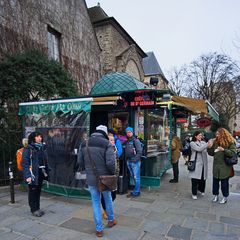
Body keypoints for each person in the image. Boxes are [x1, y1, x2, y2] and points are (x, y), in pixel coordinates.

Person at [77, 125, 116, 238]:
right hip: (105, 179)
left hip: (91, 178)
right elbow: (110, 163)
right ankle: (111, 220)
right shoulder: (106, 143)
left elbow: (80, 162)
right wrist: (112, 173)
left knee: (95, 202)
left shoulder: (84, 143)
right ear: (104, 133)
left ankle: (99, 229)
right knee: (107, 199)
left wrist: (88, 171)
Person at [22, 131, 50, 217]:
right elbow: (25, 164)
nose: (40, 138)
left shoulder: (42, 147)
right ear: (33, 138)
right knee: (33, 191)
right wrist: (28, 176)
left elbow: (44, 160)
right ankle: (34, 209)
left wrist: (47, 169)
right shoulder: (28, 149)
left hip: (40, 173)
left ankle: (37, 208)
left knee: (38, 191)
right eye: (38, 137)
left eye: (40, 137)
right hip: (33, 173)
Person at [207, 128, 237, 204]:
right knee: (215, 183)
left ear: (223, 134)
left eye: (218, 134)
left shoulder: (230, 142)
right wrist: (209, 147)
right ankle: (216, 195)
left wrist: (224, 150)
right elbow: (211, 153)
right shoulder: (215, 142)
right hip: (216, 167)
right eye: (216, 134)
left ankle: (225, 197)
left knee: (224, 184)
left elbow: (233, 153)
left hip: (225, 167)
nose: (216, 135)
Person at [101, 134, 119, 220]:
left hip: (115, 175)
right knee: (106, 195)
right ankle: (105, 211)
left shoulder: (115, 149)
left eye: (113, 140)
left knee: (113, 195)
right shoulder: (105, 150)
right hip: (107, 176)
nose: (113, 142)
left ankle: (108, 210)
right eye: (111, 140)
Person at [189, 131, 209, 200]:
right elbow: (199, 149)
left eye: (201, 135)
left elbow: (207, 149)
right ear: (195, 136)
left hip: (204, 164)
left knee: (203, 178)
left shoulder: (203, 142)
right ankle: (194, 193)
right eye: (199, 135)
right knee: (195, 179)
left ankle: (201, 190)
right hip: (196, 163)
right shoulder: (192, 143)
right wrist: (207, 144)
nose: (201, 136)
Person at [124, 127, 142, 198]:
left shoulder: (135, 140)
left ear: (132, 132)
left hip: (134, 162)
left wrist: (135, 160)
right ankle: (136, 190)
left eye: (130, 132)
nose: (128, 133)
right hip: (129, 161)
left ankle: (136, 192)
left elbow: (139, 151)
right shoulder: (127, 141)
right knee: (133, 177)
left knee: (136, 177)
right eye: (127, 132)